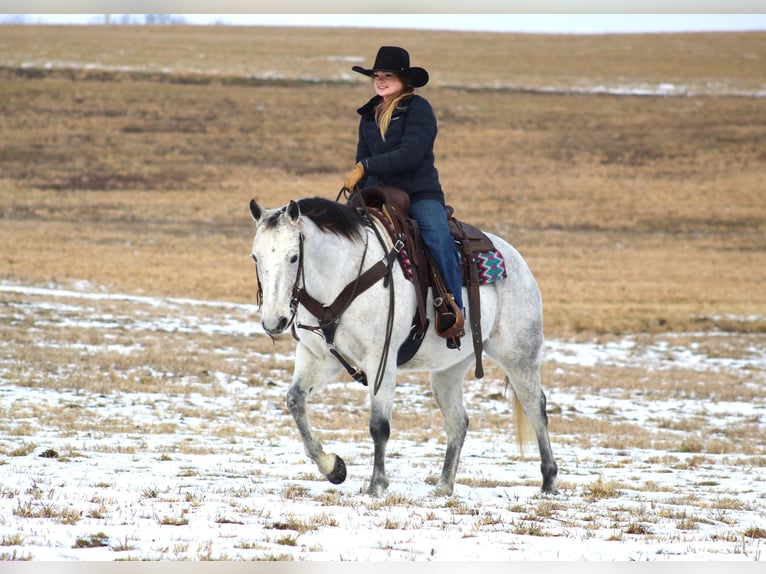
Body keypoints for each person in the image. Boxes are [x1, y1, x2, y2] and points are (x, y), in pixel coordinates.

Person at [342, 46, 464, 347]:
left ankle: (453, 310)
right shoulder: (370, 115)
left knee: (436, 236)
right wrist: (357, 192)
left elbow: (410, 154)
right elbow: (363, 157)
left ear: (404, 80)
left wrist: (366, 166)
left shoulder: (418, 109)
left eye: (388, 76)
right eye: (376, 76)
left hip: (418, 193)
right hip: (378, 194)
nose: (380, 81)